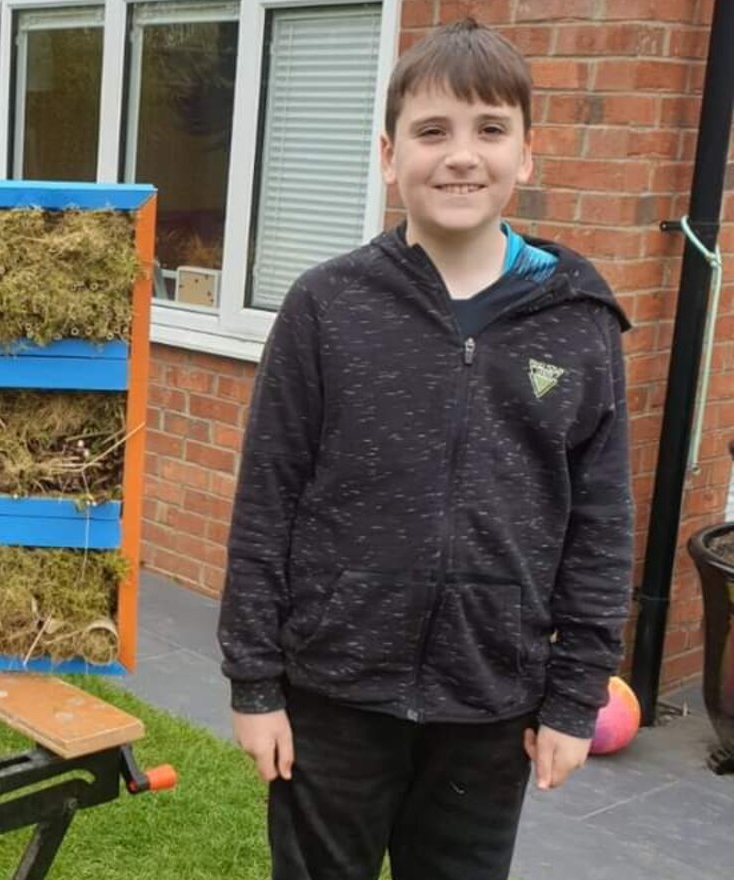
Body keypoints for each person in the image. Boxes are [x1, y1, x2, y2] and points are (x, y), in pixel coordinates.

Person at [217, 18, 633, 880]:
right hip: (333, 691)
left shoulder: (581, 325)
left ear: (527, 155)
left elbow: (600, 530)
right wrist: (255, 684)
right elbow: (267, 502)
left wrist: (574, 697)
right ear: (388, 154)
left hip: (490, 701)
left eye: (490, 131)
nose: (460, 156)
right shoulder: (327, 307)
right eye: (432, 131)